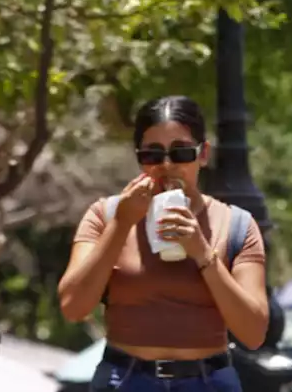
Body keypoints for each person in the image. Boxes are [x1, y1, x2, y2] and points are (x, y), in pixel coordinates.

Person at [57, 96, 268, 392]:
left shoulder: (236, 225)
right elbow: (73, 307)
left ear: (203, 154)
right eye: (153, 155)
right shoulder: (105, 216)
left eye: (181, 153)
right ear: (139, 158)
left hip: (208, 381)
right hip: (126, 378)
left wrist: (202, 252)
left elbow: (254, 331)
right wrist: (121, 224)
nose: (167, 165)